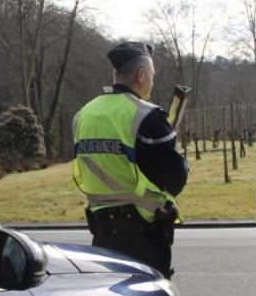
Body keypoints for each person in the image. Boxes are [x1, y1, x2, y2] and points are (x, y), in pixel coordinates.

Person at [72, 41, 188, 279]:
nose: (153, 82)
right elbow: (175, 178)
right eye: (152, 76)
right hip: (143, 235)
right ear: (142, 74)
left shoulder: (83, 115)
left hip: (102, 233)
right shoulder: (147, 116)